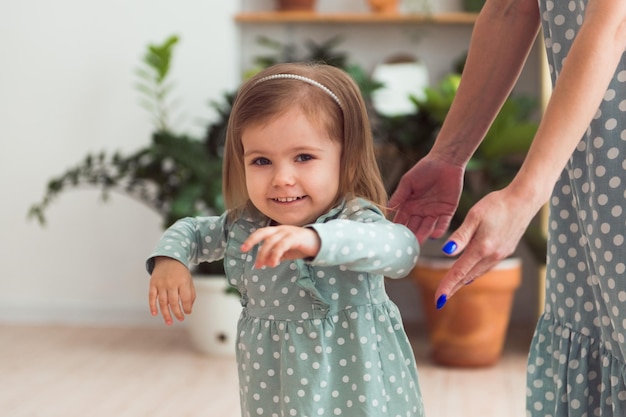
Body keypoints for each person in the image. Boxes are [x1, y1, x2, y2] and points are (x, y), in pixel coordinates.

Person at [389, 0, 626, 415]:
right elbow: (509, 8)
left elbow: (614, 22)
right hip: (588, 164)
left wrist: (524, 196)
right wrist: (448, 156)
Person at [147, 62, 424, 417]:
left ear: (346, 158)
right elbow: (190, 230)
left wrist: (317, 241)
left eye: (304, 157)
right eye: (261, 160)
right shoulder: (244, 225)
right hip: (274, 389)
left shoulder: (355, 220)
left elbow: (402, 249)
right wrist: (170, 260)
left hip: (359, 389)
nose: (282, 178)